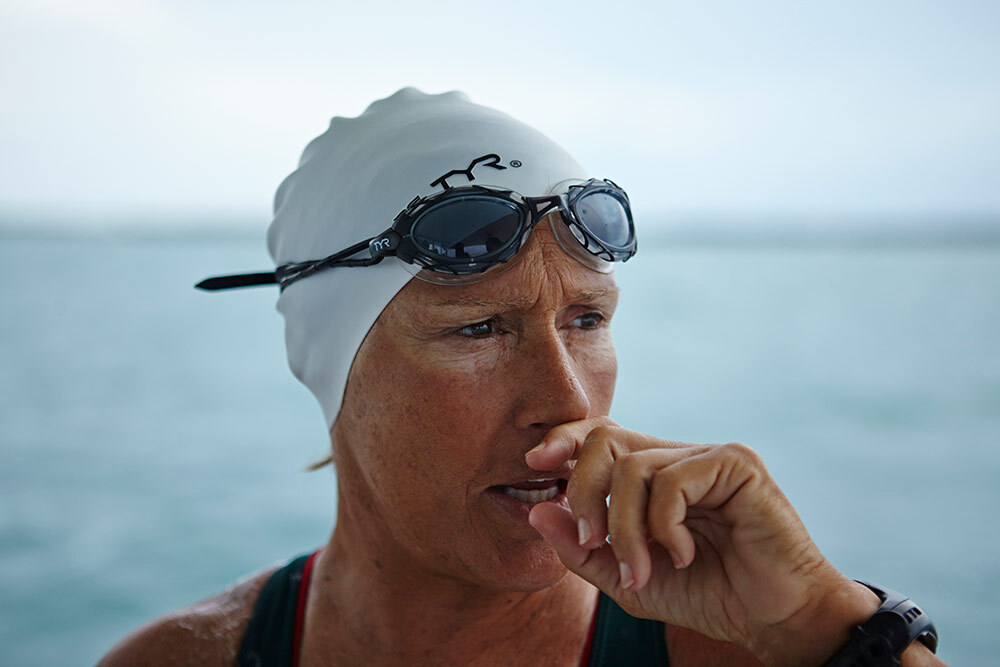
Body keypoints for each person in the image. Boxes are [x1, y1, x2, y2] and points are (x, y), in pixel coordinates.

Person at [100, 88, 943, 666]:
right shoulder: (182, 658)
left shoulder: (760, 650)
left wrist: (819, 625)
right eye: (478, 327)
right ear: (331, 364)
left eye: (588, 319)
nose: (569, 402)